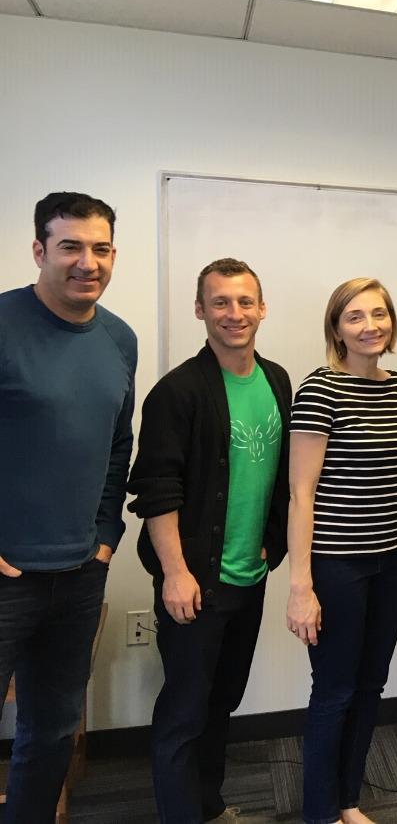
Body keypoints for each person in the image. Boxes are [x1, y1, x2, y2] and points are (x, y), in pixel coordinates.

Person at [126, 259, 290, 822]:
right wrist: (174, 572)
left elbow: (284, 473)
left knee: (222, 703)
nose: (234, 314)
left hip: (250, 576)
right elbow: (156, 489)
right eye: (220, 302)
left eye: (245, 302)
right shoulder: (177, 392)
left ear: (262, 308)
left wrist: (274, 542)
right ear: (200, 310)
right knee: (184, 713)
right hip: (195, 581)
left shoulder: (277, 380)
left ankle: (209, 806)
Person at [0, 192, 137, 821]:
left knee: (51, 732)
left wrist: (105, 536)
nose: (89, 262)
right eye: (71, 247)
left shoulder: (119, 339)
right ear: (38, 251)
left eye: (101, 248)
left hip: (81, 574)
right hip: (6, 578)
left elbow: (117, 446)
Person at [286, 278, 397, 824]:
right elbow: (301, 493)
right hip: (337, 566)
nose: (371, 326)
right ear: (336, 327)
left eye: (379, 314)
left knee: (371, 685)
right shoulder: (320, 390)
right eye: (356, 317)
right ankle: (319, 812)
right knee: (335, 690)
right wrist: (301, 586)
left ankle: (347, 800)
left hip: (390, 561)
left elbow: (395, 483)